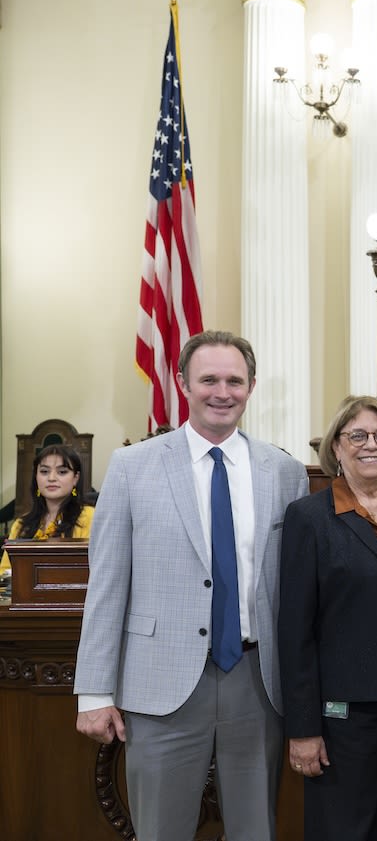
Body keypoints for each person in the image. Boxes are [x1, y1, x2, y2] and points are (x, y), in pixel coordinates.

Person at [74, 330, 310, 841]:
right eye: (208, 379)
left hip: (257, 681)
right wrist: (93, 691)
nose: (221, 392)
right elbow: (108, 584)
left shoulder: (286, 472)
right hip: (161, 684)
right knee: (161, 830)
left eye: (234, 380)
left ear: (251, 386)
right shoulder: (132, 467)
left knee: (255, 830)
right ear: (183, 383)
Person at [278, 395, 377, 841]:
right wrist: (303, 729)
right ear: (336, 448)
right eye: (357, 435)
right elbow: (295, 630)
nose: (371, 445)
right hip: (342, 712)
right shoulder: (309, 517)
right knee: (342, 828)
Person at [1, 444, 94, 574]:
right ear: (36, 476)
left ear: (75, 478)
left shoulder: (89, 517)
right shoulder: (21, 524)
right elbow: (5, 572)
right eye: (44, 471)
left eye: (62, 472)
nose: (51, 478)